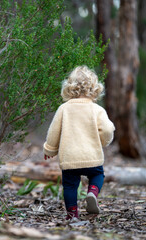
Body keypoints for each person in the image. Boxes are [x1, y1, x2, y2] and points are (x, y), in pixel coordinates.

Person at [43, 66, 115, 220]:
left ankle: (72, 214)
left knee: (70, 185)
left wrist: (50, 150)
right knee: (98, 174)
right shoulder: (97, 109)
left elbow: (53, 131)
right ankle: (92, 192)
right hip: (91, 155)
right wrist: (104, 141)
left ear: (69, 87)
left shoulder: (64, 109)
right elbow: (108, 129)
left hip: (70, 157)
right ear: (95, 88)